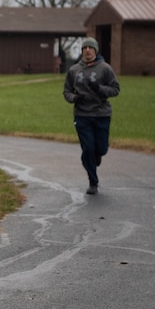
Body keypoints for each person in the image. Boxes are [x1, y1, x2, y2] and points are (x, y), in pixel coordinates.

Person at [63, 37, 120, 195]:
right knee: (88, 148)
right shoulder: (74, 70)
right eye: (85, 48)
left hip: (102, 114)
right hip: (82, 115)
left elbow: (115, 89)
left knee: (100, 149)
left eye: (90, 48)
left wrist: (100, 89)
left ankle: (95, 157)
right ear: (82, 51)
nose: (87, 50)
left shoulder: (105, 68)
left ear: (96, 50)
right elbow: (66, 91)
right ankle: (93, 182)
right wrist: (75, 98)